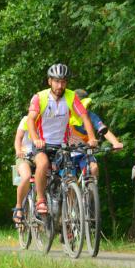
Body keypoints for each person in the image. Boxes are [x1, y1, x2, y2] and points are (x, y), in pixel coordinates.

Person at [26, 63, 97, 215]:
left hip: (62, 144)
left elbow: (84, 117)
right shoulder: (40, 97)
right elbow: (30, 120)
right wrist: (36, 139)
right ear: (49, 81)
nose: (60, 85)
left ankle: (70, 216)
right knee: (43, 163)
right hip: (42, 143)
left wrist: (91, 138)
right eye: (57, 81)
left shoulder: (71, 96)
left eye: (63, 81)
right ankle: (40, 200)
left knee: (69, 176)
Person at [67, 89, 124, 178]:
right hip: (67, 151)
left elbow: (103, 129)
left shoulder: (90, 115)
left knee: (94, 168)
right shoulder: (66, 115)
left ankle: (92, 186)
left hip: (85, 150)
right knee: (69, 178)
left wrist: (115, 143)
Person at [12, 116, 35, 223]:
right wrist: (18, 150)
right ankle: (19, 206)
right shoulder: (26, 119)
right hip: (24, 156)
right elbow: (18, 138)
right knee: (26, 176)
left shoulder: (47, 119)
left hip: (40, 156)